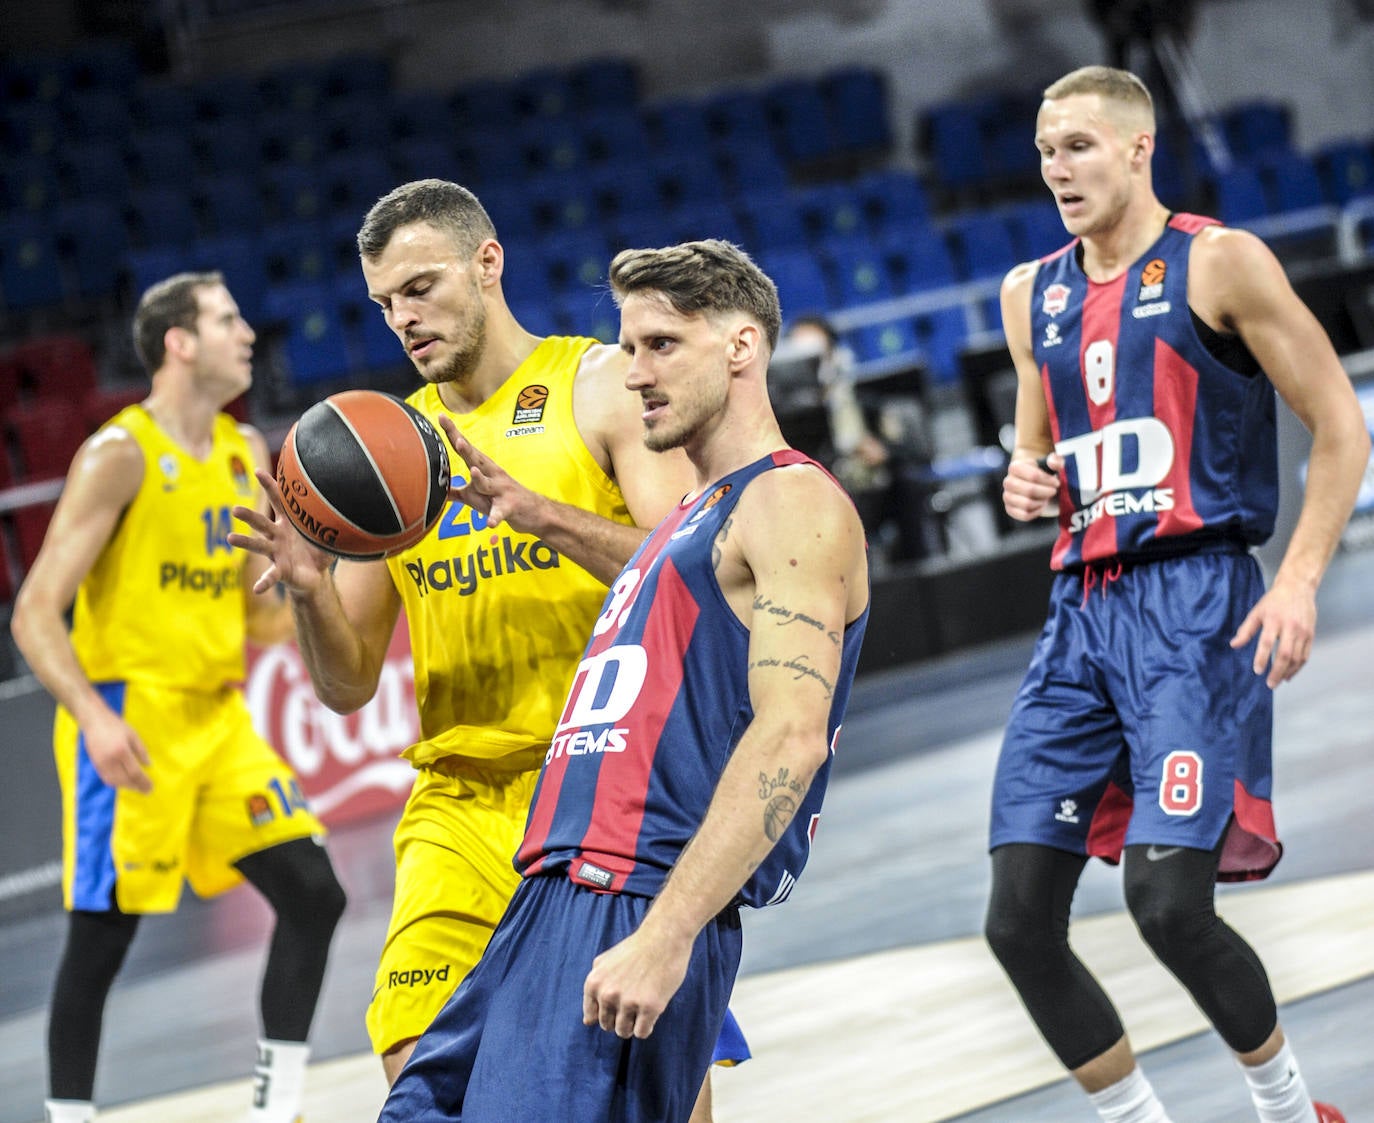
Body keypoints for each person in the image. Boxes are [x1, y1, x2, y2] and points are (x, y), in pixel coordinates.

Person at [226, 180, 741, 1120]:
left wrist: (541, 514)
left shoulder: (599, 388)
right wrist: (308, 590)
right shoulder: (394, 450)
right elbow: (344, 685)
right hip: (458, 803)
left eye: (420, 287)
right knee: (417, 1070)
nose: (403, 318)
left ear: (488, 261)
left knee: (649, 1094)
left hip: (604, 791)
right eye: (385, 303)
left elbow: (697, 573)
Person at [377, 237, 870, 1121]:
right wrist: (528, 513)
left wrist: (668, 933)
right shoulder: (689, 521)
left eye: (661, 345)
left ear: (742, 348)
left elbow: (792, 733)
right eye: (629, 346)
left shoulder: (789, 500)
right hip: (551, 891)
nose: (635, 371)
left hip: (627, 894)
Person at [984, 66, 1367, 1123]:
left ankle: (1292, 1112)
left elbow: (1341, 423)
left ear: (1139, 147)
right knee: (1017, 921)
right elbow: (1037, 456)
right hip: (1078, 618)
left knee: (1165, 903)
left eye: (1079, 146)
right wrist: (1024, 477)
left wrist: (1295, 580)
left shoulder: (1220, 260)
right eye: (1044, 149)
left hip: (1197, 605)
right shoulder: (1029, 293)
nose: (1057, 168)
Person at [10, 272, 347, 1123]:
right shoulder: (119, 454)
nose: (247, 336)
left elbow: (261, 621)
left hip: (218, 712)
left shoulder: (243, 456)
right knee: (103, 935)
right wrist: (93, 715)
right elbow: (33, 613)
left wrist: (310, 578)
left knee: (315, 891)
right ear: (179, 342)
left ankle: (279, 1106)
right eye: (227, 320)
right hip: (131, 713)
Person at [782, 313, 933, 563]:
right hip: (813, 501)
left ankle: (918, 575)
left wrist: (882, 452)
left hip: (865, 494)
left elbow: (910, 451)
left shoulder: (860, 402)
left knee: (906, 483)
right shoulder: (782, 416)